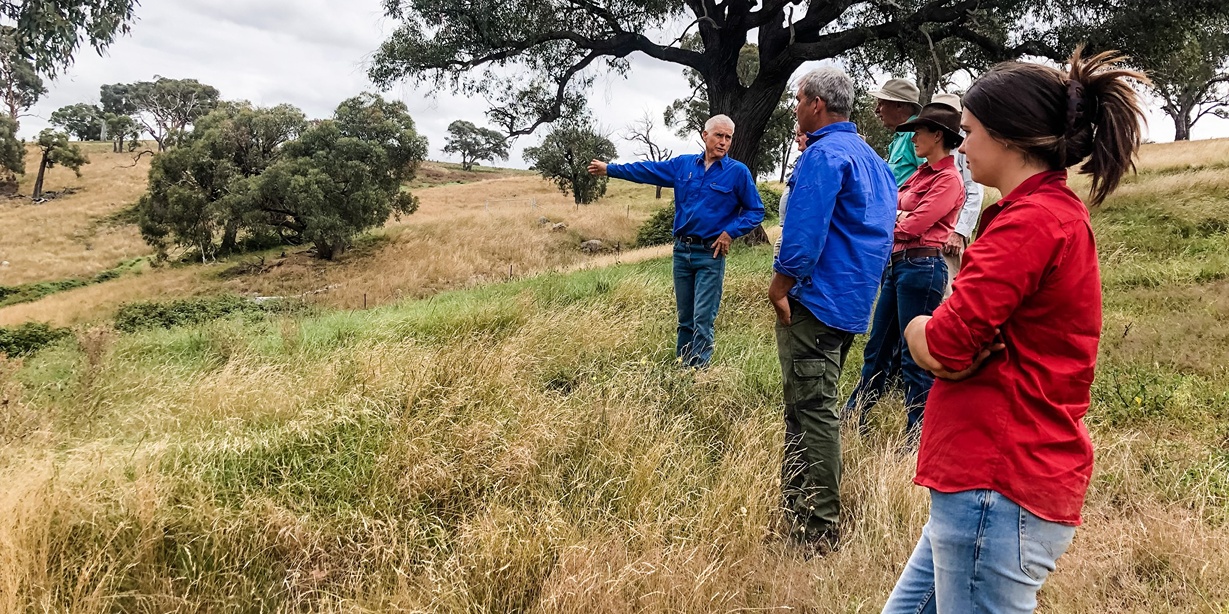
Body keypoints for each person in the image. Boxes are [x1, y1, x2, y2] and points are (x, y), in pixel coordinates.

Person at [883, 48, 1145, 613]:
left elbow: (947, 344)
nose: (962, 145)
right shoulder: (1049, 214)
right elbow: (957, 345)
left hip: (996, 482)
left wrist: (915, 327)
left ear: (1007, 136)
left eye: (970, 131)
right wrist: (940, 337)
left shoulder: (1029, 223)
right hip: (992, 481)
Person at [769, 67, 896, 555]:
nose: (796, 108)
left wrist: (780, 285)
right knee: (809, 404)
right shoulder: (875, 161)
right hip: (851, 302)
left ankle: (817, 529)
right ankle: (796, 510)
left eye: (799, 100)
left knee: (812, 412)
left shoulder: (824, 155)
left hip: (815, 300)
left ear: (817, 104)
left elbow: (802, 236)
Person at [589, 115, 764, 368]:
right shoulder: (683, 166)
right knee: (685, 317)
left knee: (703, 317)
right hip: (682, 251)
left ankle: (699, 372)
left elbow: (755, 210)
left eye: (728, 137)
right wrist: (610, 169)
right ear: (705, 135)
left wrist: (730, 232)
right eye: (719, 136)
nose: (724, 142)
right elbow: (646, 171)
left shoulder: (738, 173)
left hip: (710, 254)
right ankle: (683, 366)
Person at [843, 103, 967, 440]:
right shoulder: (923, 174)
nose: (913, 137)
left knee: (916, 356)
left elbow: (913, 225)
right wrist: (895, 216)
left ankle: (918, 434)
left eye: (920, 131)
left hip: (922, 267)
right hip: (900, 267)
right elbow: (889, 205)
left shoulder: (949, 180)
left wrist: (893, 217)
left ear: (938, 135)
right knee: (878, 347)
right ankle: (855, 417)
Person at [931, 93, 985, 299]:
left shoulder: (963, 148)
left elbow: (974, 192)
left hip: (951, 234)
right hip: (934, 234)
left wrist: (959, 232)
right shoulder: (937, 149)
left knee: (948, 292)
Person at [871, 78, 923, 187]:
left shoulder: (915, 133)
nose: (877, 110)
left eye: (881, 104)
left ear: (899, 106)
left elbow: (929, 178)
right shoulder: (901, 136)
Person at [774, 124, 809, 257]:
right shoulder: (804, 160)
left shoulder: (816, 160)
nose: (796, 139)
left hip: (797, 232)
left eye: (800, 135)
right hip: (789, 229)